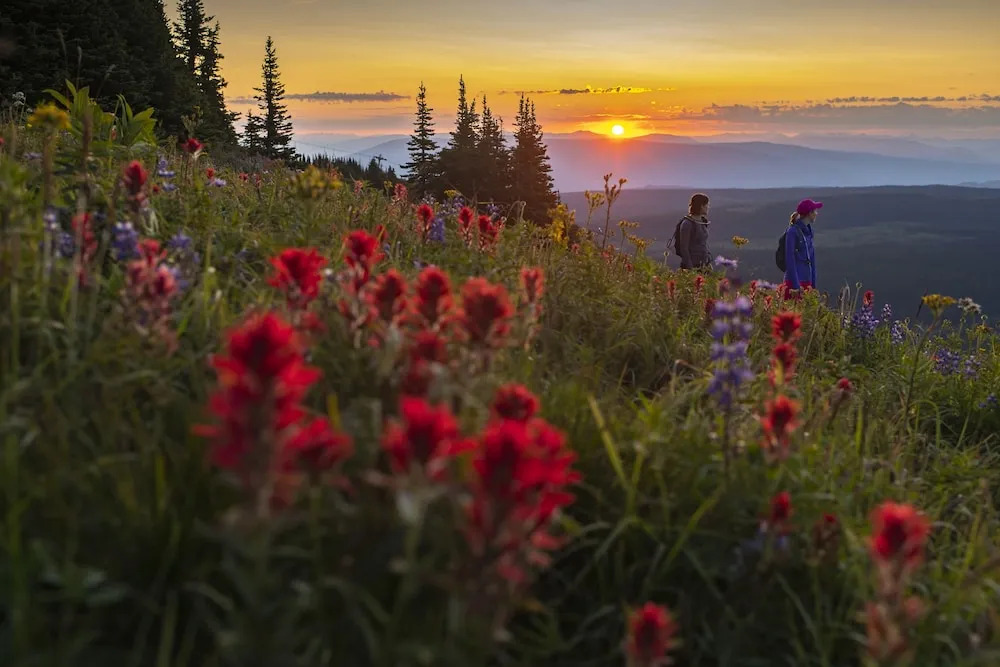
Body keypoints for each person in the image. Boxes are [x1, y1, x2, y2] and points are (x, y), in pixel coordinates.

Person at [782, 199, 821, 300]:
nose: (817, 214)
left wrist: (813, 286)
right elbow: (790, 260)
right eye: (815, 211)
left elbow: (812, 260)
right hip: (794, 284)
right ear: (809, 213)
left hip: (807, 283)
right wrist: (796, 286)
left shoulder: (809, 232)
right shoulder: (792, 232)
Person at [676, 193, 711, 270]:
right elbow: (684, 248)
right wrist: (690, 268)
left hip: (704, 264)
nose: (708, 208)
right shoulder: (687, 223)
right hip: (693, 266)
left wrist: (708, 262)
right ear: (701, 206)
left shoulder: (703, 221)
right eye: (707, 205)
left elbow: (703, 243)